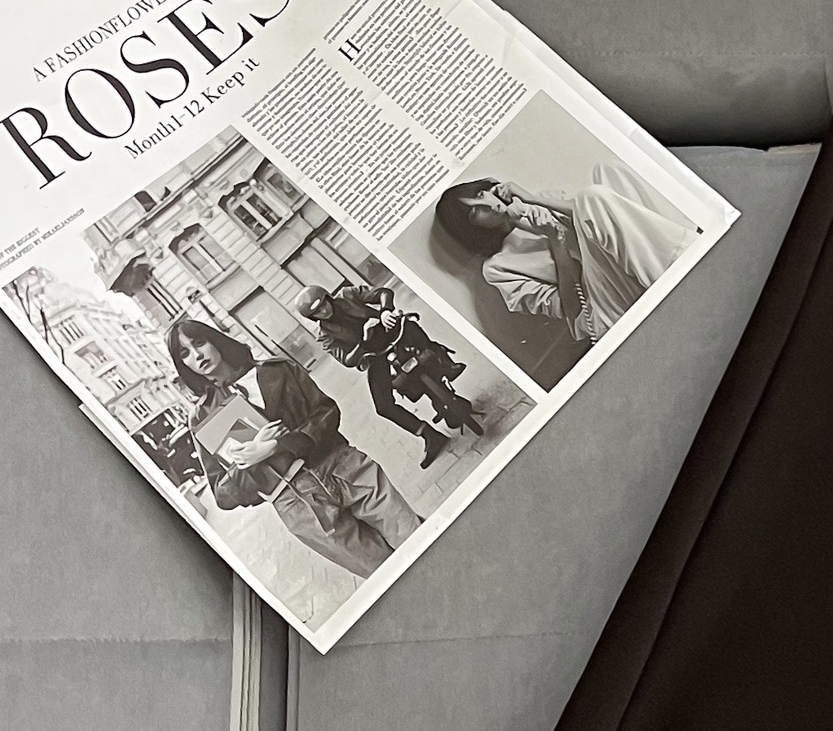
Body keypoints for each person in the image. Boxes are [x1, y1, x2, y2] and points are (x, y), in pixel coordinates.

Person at [167, 315, 421, 577]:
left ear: (215, 340)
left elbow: (327, 412)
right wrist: (249, 460)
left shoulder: (277, 369)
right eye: (185, 354)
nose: (197, 355)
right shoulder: (203, 419)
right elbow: (223, 494)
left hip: (342, 466)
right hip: (298, 504)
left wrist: (277, 446)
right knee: (385, 573)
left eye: (200, 343)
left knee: (414, 536)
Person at [432, 159, 693, 354]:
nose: (488, 205)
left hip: (631, 268)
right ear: (472, 228)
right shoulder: (498, 267)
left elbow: (593, 214)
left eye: (481, 195)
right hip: (604, 307)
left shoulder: (536, 205)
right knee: (592, 196)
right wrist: (555, 242)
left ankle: (682, 254)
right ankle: (684, 266)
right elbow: (572, 310)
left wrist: (534, 200)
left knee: (607, 170)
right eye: (476, 212)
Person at [299, 281, 482, 469]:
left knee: (411, 326)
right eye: (317, 312)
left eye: (323, 304)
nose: (324, 311)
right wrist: (364, 338)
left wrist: (385, 311)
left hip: (394, 333)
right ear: (313, 317)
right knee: (383, 405)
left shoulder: (348, 294)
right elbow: (346, 360)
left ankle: (446, 365)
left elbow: (383, 292)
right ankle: (429, 435)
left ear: (328, 297)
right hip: (374, 356)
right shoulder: (325, 336)